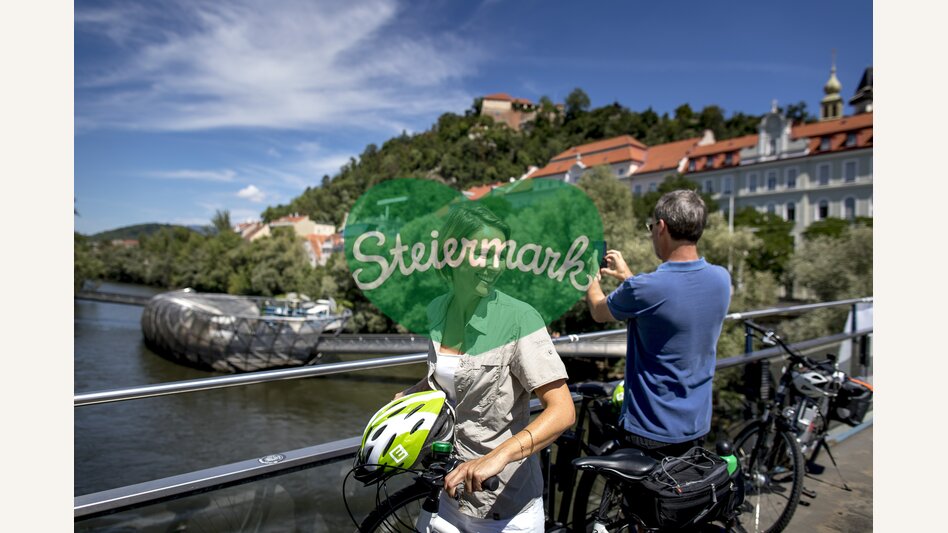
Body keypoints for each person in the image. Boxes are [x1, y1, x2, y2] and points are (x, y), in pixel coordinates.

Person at [395, 204, 576, 531]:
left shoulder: (520, 319)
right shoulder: (437, 309)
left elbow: (563, 411)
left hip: (504, 507)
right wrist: (406, 398)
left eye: (500, 255)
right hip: (447, 492)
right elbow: (446, 377)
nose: (494, 265)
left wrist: (499, 456)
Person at [585, 189, 731, 458]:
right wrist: (628, 278)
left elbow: (598, 310)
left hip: (649, 429)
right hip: (696, 425)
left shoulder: (645, 288)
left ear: (661, 226)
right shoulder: (722, 279)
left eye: (651, 226)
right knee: (680, 495)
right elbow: (668, 301)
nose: (651, 232)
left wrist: (588, 274)